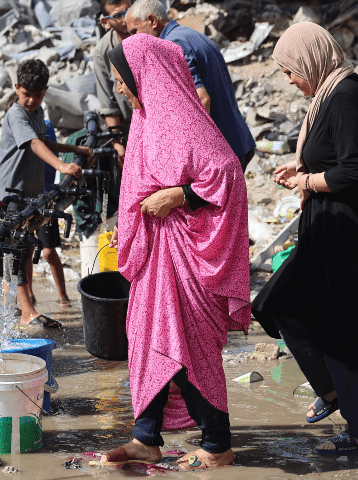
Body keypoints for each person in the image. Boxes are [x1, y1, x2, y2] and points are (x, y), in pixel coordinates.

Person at [251, 22, 358, 455]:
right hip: (328, 234)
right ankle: (333, 396)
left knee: (341, 336)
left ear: (311, 59)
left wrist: (307, 178)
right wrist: (301, 175)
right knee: (279, 304)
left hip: (348, 241)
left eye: (291, 71)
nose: (290, 81)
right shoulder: (330, 95)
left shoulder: (346, 96)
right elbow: (336, 161)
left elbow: (355, 171)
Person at [102, 34, 249, 469]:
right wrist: (130, 227)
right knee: (148, 338)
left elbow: (227, 174)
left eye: (122, 80)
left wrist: (180, 195)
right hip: (158, 254)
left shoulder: (182, 120)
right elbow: (139, 188)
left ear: (144, 74)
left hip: (189, 259)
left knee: (182, 344)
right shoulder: (146, 119)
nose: (120, 90)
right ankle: (145, 437)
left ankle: (218, 444)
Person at [0, 59, 90, 328]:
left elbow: (45, 141)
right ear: (16, 88)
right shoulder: (16, 113)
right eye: (27, 95)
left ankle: (13, 307)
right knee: (14, 251)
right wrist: (62, 166)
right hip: (12, 194)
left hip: (31, 194)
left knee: (23, 251)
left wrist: (78, 152)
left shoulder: (36, 112)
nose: (32, 100)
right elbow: (35, 143)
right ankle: (26, 312)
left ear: (45, 92)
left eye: (38, 95)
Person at [125, 0, 255, 171]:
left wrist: (198, 157)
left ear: (153, 21)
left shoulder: (172, 44)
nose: (134, 39)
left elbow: (202, 99)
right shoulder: (190, 35)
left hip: (219, 153)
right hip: (235, 141)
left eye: (135, 31)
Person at [93, 0, 132, 166]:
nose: (125, 19)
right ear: (105, 22)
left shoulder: (149, 33)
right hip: (131, 129)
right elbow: (109, 105)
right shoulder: (103, 53)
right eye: (118, 16)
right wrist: (117, 143)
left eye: (128, 11)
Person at [38, 119, 72, 308]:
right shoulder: (18, 126)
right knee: (25, 253)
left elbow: (51, 157)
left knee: (49, 251)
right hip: (24, 197)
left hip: (45, 197)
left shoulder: (45, 125)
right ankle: (29, 297)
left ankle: (62, 294)